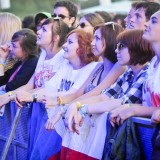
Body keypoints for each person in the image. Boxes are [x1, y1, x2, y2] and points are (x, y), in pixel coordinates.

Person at [63, 29, 154, 160]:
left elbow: (122, 102)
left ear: (137, 47)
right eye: (117, 46)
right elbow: (103, 96)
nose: (116, 50)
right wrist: (75, 105)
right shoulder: (128, 73)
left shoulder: (146, 74)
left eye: (121, 46)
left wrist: (82, 109)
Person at [17, 29, 99, 160]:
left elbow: (72, 94)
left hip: (69, 128)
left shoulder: (92, 67)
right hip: (53, 124)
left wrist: (32, 97)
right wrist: (29, 96)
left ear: (83, 46)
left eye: (70, 42)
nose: (65, 45)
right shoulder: (67, 65)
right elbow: (50, 87)